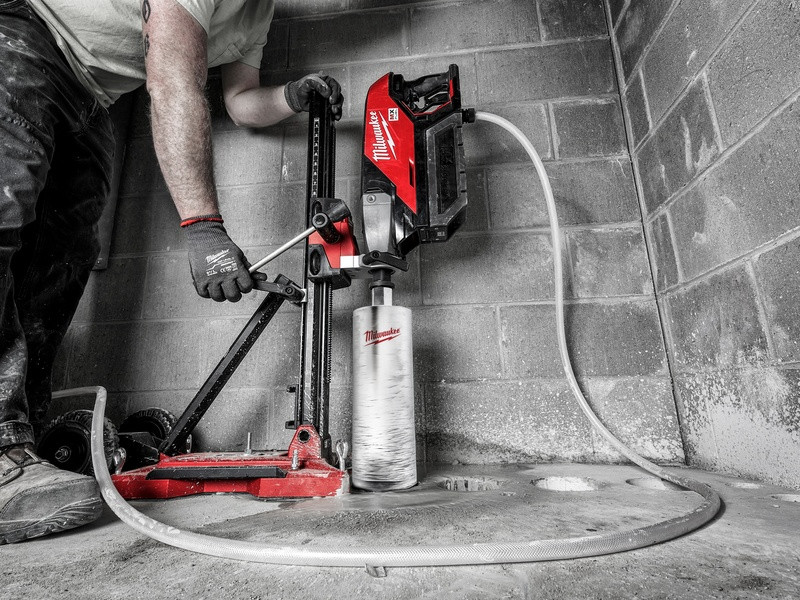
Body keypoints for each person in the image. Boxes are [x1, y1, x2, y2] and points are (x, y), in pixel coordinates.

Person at [0, 0, 343, 544]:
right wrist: (203, 227)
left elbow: (240, 102)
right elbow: (173, 81)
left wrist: (291, 96)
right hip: (26, 36)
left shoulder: (258, 13)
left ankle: (21, 445)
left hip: (90, 95)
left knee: (58, 262)